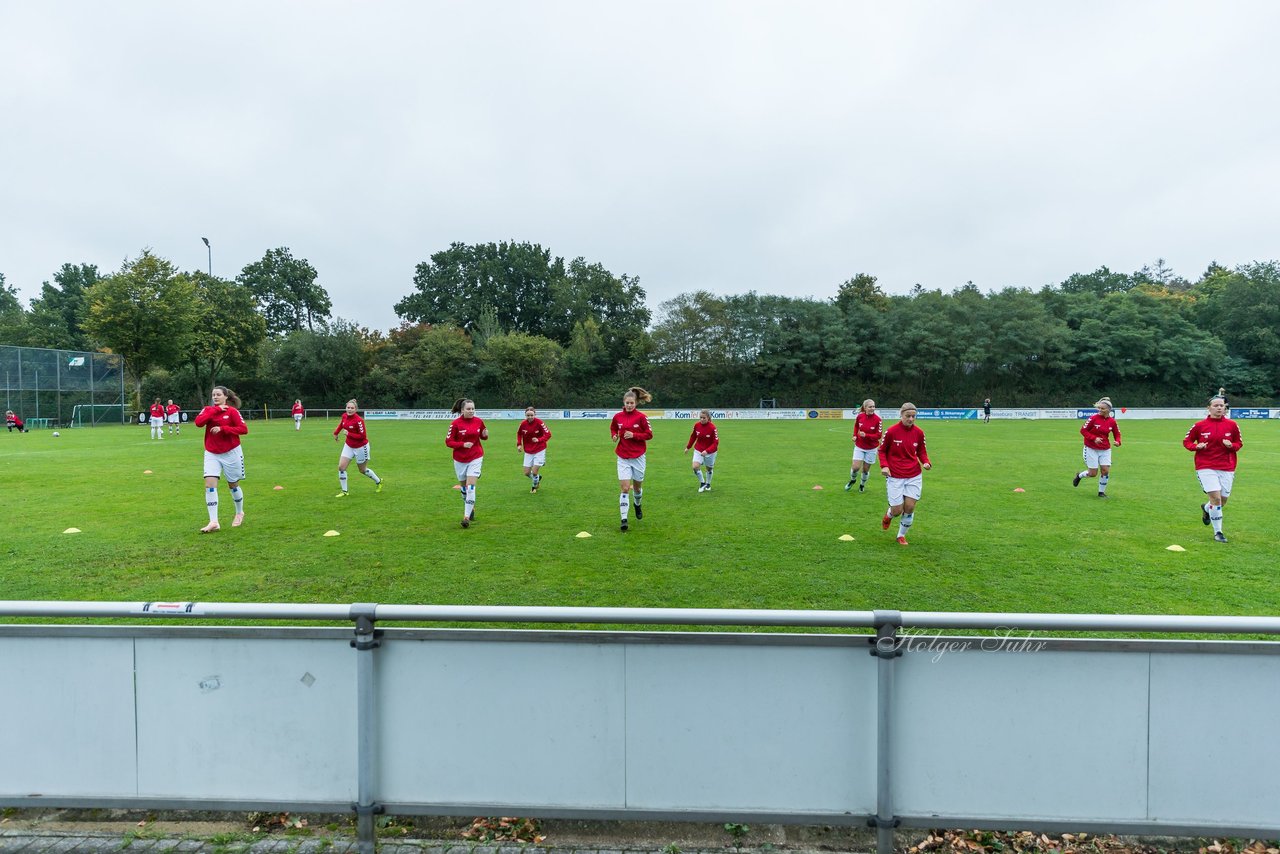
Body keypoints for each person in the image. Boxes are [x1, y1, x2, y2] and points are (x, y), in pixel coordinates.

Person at [1183, 396, 1242, 543]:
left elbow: (1239, 443)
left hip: (1227, 467)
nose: (1219, 408)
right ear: (1208, 408)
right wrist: (1196, 446)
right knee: (1215, 498)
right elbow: (1187, 441)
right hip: (1205, 466)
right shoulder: (1199, 425)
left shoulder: (1232, 425)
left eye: (1222, 405)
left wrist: (1231, 446)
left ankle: (1207, 509)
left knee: (1222, 501)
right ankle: (1218, 533)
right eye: (1216, 405)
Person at [194, 386, 248, 533]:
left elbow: (243, 429)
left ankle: (239, 512)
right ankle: (213, 521)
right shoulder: (208, 410)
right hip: (212, 453)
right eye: (213, 395)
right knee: (210, 485)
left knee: (233, 485)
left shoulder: (232, 412)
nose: (215, 397)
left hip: (231, 453)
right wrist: (216, 410)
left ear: (226, 396)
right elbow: (199, 423)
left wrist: (224, 429)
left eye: (218, 395)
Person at [878, 402, 931, 546]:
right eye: (908, 416)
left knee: (910, 507)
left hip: (914, 474)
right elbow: (881, 450)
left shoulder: (919, 432)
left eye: (914, 416)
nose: (911, 419)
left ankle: (901, 535)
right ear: (901, 415)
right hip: (895, 475)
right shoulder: (891, 431)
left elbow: (921, 451)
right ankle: (888, 516)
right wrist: (884, 466)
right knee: (897, 510)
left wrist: (926, 462)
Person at [611, 387, 653, 532]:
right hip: (622, 456)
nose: (629, 405)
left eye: (632, 403)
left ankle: (637, 504)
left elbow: (649, 434)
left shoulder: (642, 417)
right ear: (624, 402)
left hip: (638, 457)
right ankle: (624, 519)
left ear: (636, 403)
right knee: (624, 488)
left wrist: (634, 435)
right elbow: (613, 428)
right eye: (627, 403)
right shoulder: (617, 417)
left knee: (637, 488)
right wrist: (614, 435)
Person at [446, 398, 487, 528]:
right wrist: (463, 444)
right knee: (464, 489)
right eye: (468, 409)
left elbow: (483, 436)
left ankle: (466, 517)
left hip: (476, 456)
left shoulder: (479, 421)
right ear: (462, 410)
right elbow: (448, 442)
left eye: (473, 409)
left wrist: (485, 435)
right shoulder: (455, 424)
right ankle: (471, 509)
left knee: (470, 488)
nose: (471, 411)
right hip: (460, 459)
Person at [1072, 397, 1121, 497]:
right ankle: (1079, 476)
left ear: (1108, 410)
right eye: (1099, 408)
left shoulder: (1112, 421)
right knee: (1093, 473)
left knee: (1105, 471)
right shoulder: (1093, 418)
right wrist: (1094, 438)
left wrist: (1118, 441)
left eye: (1102, 409)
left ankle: (1101, 492)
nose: (1100, 410)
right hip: (1091, 448)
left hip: (1105, 449)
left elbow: (1117, 434)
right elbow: (1083, 430)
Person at [333, 399, 382, 497]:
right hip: (349, 445)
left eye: (352, 408)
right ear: (346, 408)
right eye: (348, 407)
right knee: (341, 467)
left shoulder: (359, 420)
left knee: (362, 470)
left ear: (356, 409)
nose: (349, 410)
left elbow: (362, 436)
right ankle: (345, 491)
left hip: (361, 447)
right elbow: (342, 424)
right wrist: (336, 433)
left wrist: (349, 434)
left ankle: (378, 481)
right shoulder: (344, 416)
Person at [845, 399, 882, 493]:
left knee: (865, 470)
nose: (872, 408)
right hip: (859, 446)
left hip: (871, 448)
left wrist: (867, 435)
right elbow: (856, 426)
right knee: (855, 467)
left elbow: (878, 435)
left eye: (873, 406)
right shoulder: (860, 416)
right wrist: (854, 435)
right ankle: (852, 480)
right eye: (870, 407)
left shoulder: (878, 419)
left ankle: (862, 485)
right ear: (865, 408)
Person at [516, 406, 551, 493]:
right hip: (528, 451)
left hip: (539, 449)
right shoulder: (523, 424)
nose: (530, 417)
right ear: (525, 415)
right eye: (528, 415)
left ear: (535, 414)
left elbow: (548, 434)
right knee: (527, 473)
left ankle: (534, 487)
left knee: (534, 472)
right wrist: (519, 444)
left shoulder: (540, 423)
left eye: (532, 415)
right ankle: (537, 478)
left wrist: (539, 440)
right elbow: (519, 434)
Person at [684, 409, 719, 492]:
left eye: (704, 418)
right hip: (698, 449)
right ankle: (702, 483)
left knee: (709, 469)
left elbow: (715, 443)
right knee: (695, 467)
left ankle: (708, 484)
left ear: (708, 418)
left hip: (710, 452)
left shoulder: (712, 428)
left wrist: (707, 451)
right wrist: (688, 447)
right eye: (700, 417)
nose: (702, 419)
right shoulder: (696, 425)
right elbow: (693, 437)